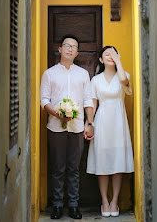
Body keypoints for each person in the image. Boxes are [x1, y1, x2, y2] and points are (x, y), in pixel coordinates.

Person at [40, 34, 96, 220]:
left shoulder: (83, 74)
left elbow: (88, 99)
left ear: (77, 52)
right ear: (60, 49)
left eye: (73, 47)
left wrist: (89, 122)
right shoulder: (49, 74)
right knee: (57, 167)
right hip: (55, 127)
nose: (70, 49)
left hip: (77, 127)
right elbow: (44, 100)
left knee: (74, 168)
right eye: (67, 45)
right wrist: (57, 113)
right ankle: (57, 205)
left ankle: (73, 205)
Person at [86, 45, 134, 217]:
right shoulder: (96, 80)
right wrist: (89, 123)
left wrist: (118, 61)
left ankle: (114, 201)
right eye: (107, 54)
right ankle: (104, 201)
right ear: (100, 59)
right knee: (103, 162)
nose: (110, 56)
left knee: (117, 162)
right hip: (102, 122)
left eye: (113, 53)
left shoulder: (124, 75)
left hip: (118, 123)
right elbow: (92, 104)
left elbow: (123, 82)